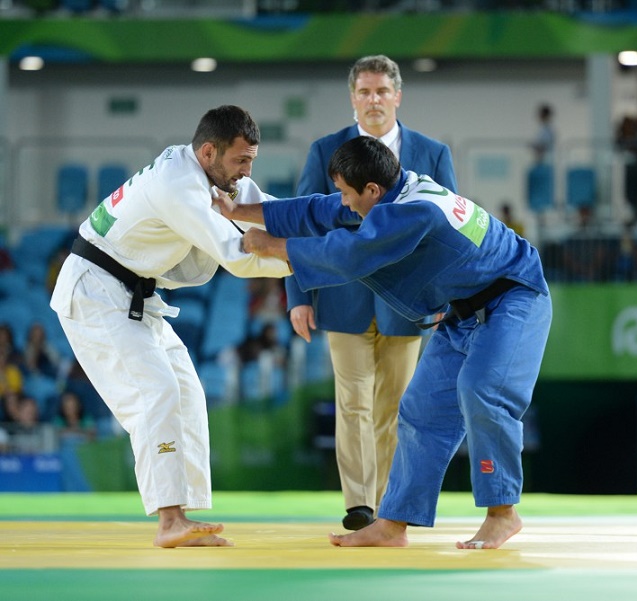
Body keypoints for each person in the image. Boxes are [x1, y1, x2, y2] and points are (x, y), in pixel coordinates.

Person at [224, 136, 552, 550]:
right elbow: (316, 209)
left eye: (348, 194)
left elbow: (348, 254)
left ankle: (503, 513)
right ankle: (392, 524)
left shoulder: (413, 211)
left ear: (373, 191)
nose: (343, 203)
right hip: (464, 309)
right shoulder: (390, 191)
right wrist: (236, 210)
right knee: (421, 408)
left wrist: (270, 246)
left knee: (481, 391)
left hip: (515, 296)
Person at [49, 105, 292, 548]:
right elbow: (237, 255)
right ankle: (168, 520)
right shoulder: (179, 185)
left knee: (186, 392)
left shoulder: (212, 172)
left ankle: (187, 514)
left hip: (136, 290)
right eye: (241, 161)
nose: (246, 171)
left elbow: (261, 210)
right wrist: (313, 261)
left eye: (250, 160)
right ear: (207, 152)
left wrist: (330, 226)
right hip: (96, 290)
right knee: (156, 391)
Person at [288, 54, 457, 530]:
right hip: (341, 294)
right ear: (352, 97)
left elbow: (447, 229)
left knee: (397, 405)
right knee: (353, 401)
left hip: (410, 301)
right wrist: (297, 294)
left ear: (398, 96)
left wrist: (444, 296)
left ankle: (391, 505)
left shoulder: (432, 153)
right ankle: (360, 505)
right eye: (364, 91)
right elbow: (301, 225)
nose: (373, 100)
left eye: (382, 91)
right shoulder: (324, 151)